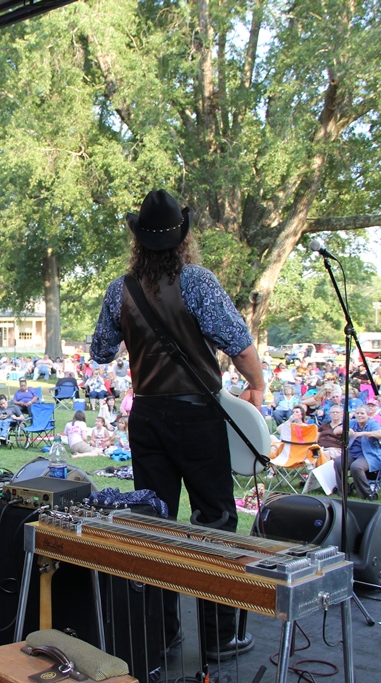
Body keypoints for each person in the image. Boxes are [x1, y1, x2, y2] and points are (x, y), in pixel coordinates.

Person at [90, 188, 265, 662]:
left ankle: (161, 635)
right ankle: (218, 638)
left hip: (147, 416)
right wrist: (257, 388)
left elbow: (100, 351)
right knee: (215, 522)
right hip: (197, 414)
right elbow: (240, 345)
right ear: (182, 239)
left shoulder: (119, 289)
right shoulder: (199, 282)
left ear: (139, 242)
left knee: (154, 523)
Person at [333, 406, 381, 500]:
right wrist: (346, 431)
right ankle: (344, 490)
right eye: (357, 413)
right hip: (352, 453)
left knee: (356, 466)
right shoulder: (352, 423)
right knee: (339, 462)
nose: (359, 415)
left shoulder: (372, 423)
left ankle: (367, 493)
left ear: (368, 415)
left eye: (362, 413)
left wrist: (364, 433)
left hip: (368, 454)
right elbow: (335, 431)